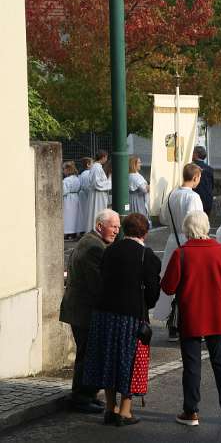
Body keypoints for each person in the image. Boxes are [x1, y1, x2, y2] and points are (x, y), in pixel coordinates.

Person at [160, 210, 221, 427]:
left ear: (188, 229)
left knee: (192, 364)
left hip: (192, 313)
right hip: (218, 314)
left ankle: (191, 411)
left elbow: (167, 287)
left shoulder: (182, 253)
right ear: (206, 227)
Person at [81, 213, 160, 427]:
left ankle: (110, 408)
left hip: (103, 314)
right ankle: (125, 411)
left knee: (108, 359)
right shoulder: (148, 256)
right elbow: (153, 293)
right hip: (130, 317)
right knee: (129, 362)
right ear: (145, 232)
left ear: (124, 229)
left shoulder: (109, 251)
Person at [59, 209, 120, 414]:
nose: (116, 231)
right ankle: (80, 397)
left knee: (89, 352)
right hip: (83, 310)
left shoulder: (92, 241)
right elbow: (97, 283)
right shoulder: (94, 246)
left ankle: (87, 394)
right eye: (113, 227)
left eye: (118, 227)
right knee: (86, 354)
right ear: (100, 225)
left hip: (80, 308)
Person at [154, 164, 204, 338]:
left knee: (172, 281)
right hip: (190, 240)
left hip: (172, 240)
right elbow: (196, 222)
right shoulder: (194, 197)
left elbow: (163, 218)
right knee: (190, 284)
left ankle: (172, 324)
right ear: (196, 177)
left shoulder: (171, 195)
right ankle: (187, 323)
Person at [86, 151, 111, 233]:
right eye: (106, 157)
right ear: (103, 157)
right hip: (97, 196)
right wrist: (110, 182)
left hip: (98, 195)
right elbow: (97, 184)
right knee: (97, 212)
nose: (106, 160)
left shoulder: (97, 167)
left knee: (98, 213)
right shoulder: (96, 167)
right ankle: (96, 231)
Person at [192, 146, 215, 217]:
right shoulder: (209, 169)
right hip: (208, 199)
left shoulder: (191, 167)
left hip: (195, 199)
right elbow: (212, 185)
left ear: (195, 154)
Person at [62, 161, 83, 240]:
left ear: (67, 170)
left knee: (68, 216)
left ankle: (68, 232)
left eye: (63, 169)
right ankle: (74, 232)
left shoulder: (66, 180)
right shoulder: (77, 178)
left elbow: (63, 191)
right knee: (75, 216)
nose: (63, 171)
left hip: (68, 199)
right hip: (76, 198)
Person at [127, 155, 149, 220]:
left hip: (136, 199)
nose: (140, 164)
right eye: (139, 163)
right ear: (134, 164)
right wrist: (150, 186)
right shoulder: (134, 176)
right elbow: (144, 189)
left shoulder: (134, 175)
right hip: (137, 200)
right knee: (138, 218)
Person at [77, 157, 93, 233]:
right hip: (86, 196)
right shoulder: (87, 174)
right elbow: (87, 186)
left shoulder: (82, 174)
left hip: (83, 195)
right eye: (92, 163)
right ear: (88, 165)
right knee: (86, 213)